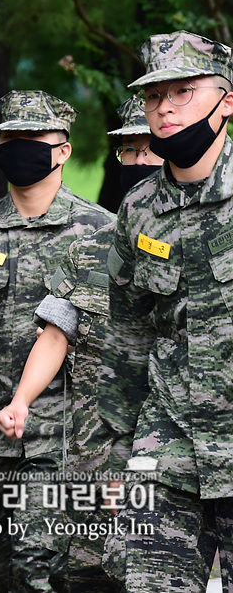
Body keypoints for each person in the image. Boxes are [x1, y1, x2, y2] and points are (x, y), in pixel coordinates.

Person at [0, 90, 114, 593]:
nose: (19, 147)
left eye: (33, 138)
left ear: (63, 151)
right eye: (10, 138)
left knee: (38, 565)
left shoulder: (101, 232)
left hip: (66, 434)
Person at [0, 96, 162, 592]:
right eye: (127, 152)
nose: (138, 162)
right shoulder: (88, 249)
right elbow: (55, 333)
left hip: (166, 446)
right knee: (85, 574)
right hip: (90, 447)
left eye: (148, 149)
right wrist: (21, 401)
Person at [100, 30, 233, 592]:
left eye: (185, 90)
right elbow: (127, 330)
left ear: (226, 100)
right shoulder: (139, 207)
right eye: (155, 96)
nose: (166, 107)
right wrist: (114, 451)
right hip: (169, 438)